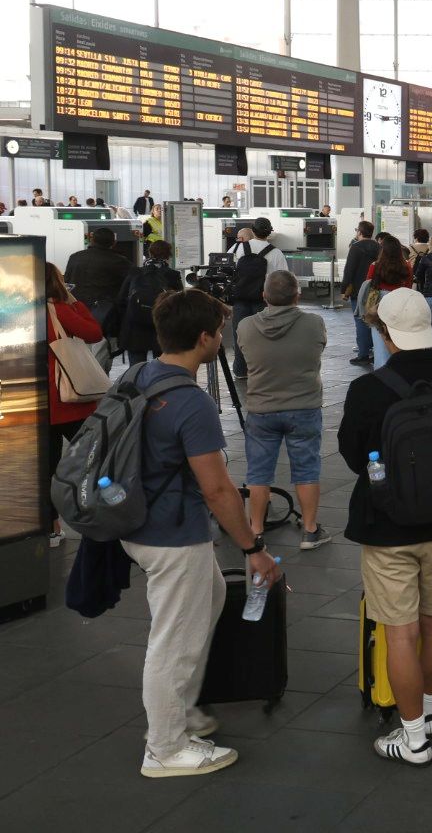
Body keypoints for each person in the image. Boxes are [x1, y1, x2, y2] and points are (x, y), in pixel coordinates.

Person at [125, 289, 281, 777]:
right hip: (173, 534)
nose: (223, 338)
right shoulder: (191, 403)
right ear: (203, 338)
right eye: (219, 331)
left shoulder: (140, 376)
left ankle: (182, 711)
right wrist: (253, 549)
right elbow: (217, 490)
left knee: (208, 601)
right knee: (174, 642)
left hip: (139, 522)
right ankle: (165, 749)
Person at [338, 288, 432, 764]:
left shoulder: (367, 390)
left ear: (386, 332)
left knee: (399, 632)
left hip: (387, 524)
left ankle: (413, 736)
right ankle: (430, 707)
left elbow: (352, 456)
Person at [235, 271, 331, 549]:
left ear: (264, 296)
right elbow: (319, 350)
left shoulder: (246, 326)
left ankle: (255, 530)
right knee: (307, 469)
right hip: (304, 407)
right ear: (297, 295)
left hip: (261, 409)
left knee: (258, 472)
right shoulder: (314, 323)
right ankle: (311, 531)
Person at [42, 263, 103, 547]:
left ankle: (50, 526)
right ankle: (101, 511)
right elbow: (93, 333)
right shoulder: (60, 309)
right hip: (68, 402)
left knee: (45, 467)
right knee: (95, 459)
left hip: (35, 405)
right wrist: (73, 300)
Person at [227, 220, 290, 378]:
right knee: (264, 335)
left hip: (240, 298)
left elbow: (226, 270)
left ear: (253, 231)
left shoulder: (237, 248)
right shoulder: (276, 253)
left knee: (239, 333)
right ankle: (262, 370)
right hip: (264, 300)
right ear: (269, 232)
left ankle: (241, 370)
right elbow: (284, 280)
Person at [114, 239, 184, 365]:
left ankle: (137, 384)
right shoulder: (172, 275)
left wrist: (128, 317)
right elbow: (179, 302)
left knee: (136, 367)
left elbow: (121, 300)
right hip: (161, 327)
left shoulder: (135, 272)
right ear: (168, 255)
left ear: (150, 253)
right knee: (163, 366)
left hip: (135, 326)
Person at [362, 235, 414, 371]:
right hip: (400, 304)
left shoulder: (375, 266)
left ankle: (381, 371)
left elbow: (369, 284)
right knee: (399, 340)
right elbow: (408, 286)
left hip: (380, 305)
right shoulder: (407, 266)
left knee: (379, 342)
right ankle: (399, 369)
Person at [64, 226, 134, 325]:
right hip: (104, 313)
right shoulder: (119, 261)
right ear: (113, 243)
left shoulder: (75, 257)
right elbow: (131, 283)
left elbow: (67, 281)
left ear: (92, 240)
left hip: (76, 308)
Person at [341, 220, 382, 367]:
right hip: (375, 289)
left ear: (359, 231)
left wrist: (344, 289)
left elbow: (349, 270)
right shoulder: (379, 247)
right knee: (374, 319)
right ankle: (374, 349)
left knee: (360, 320)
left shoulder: (356, 247)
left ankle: (363, 354)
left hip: (358, 290)